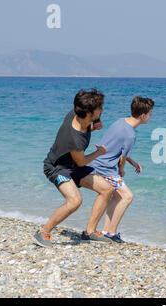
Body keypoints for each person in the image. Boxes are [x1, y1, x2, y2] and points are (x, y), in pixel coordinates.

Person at [34, 88, 114, 247]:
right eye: (100, 109)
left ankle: (89, 232)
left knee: (107, 189)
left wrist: (93, 128)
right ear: (89, 113)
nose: (102, 111)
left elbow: (84, 129)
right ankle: (43, 232)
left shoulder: (77, 113)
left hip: (72, 164)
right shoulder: (74, 139)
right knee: (75, 201)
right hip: (57, 168)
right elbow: (82, 162)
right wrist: (99, 152)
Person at [88, 96, 154, 243]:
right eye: (150, 114)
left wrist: (132, 162)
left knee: (117, 197)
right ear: (143, 116)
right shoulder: (131, 135)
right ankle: (111, 233)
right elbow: (121, 159)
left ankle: (106, 231)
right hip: (105, 168)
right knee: (127, 196)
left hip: (96, 162)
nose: (150, 117)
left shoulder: (120, 121)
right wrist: (122, 170)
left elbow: (115, 147)